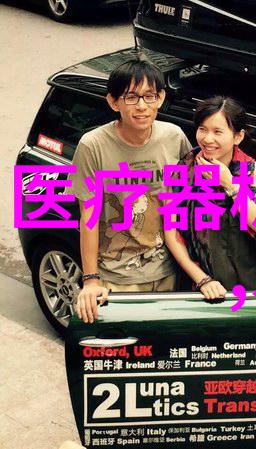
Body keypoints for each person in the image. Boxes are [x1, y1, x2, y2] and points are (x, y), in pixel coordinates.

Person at [67, 59, 192, 323]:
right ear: (114, 102)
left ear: (160, 98)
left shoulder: (174, 137)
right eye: (131, 97)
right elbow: (88, 217)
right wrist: (91, 280)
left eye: (149, 96)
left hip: (169, 270)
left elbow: (188, 199)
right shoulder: (93, 146)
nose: (142, 106)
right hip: (118, 277)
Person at [165, 96, 256, 299]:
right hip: (202, 288)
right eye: (202, 129)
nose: (207, 139)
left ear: (238, 137)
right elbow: (171, 234)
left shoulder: (254, 170)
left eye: (217, 132)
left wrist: (229, 183)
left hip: (251, 284)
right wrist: (203, 280)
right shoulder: (181, 171)